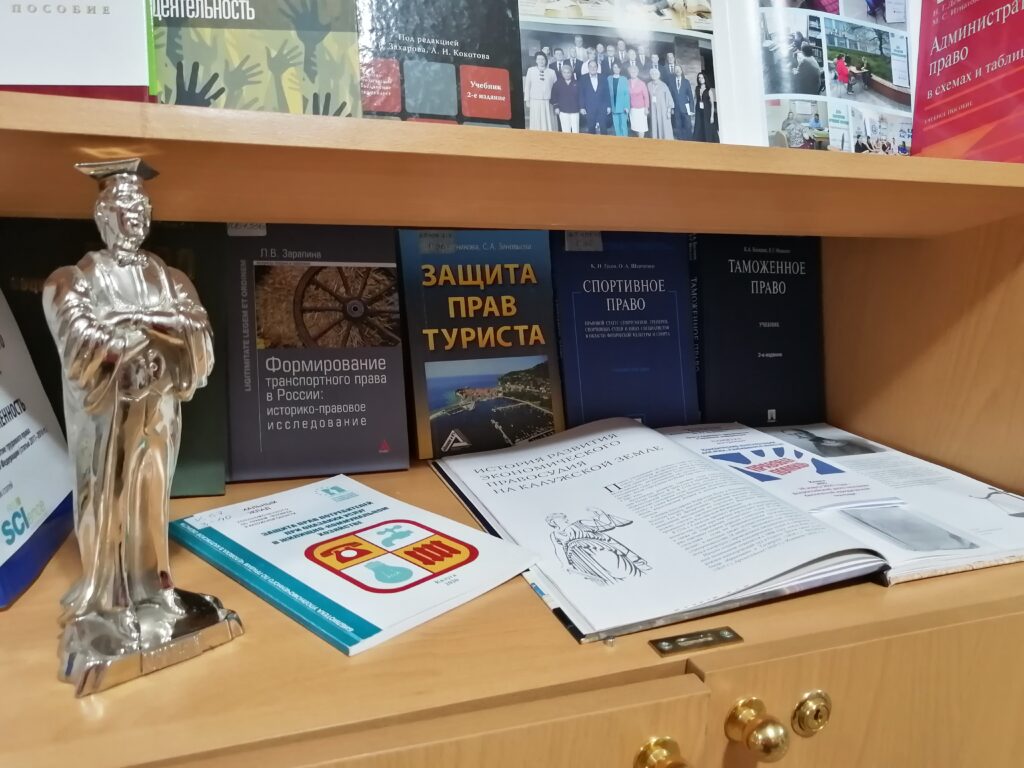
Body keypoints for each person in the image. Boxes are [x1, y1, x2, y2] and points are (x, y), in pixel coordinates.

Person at [524, 52, 557, 131]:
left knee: (548, 119)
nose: (541, 61)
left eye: (543, 59)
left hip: (548, 101)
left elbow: (555, 88)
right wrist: (527, 100)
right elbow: (527, 86)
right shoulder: (531, 70)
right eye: (539, 59)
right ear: (536, 60)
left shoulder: (552, 72)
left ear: (546, 60)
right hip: (535, 100)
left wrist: (555, 101)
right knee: (537, 119)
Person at [580, 59, 611, 134]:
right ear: (588, 68)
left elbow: (607, 93)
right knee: (591, 128)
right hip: (589, 108)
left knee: (603, 128)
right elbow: (581, 94)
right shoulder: (583, 78)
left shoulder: (603, 77)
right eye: (591, 66)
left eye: (594, 66)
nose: (593, 68)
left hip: (602, 107)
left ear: (597, 68)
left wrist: (608, 106)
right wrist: (582, 107)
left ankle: (604, 141)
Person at [551, 62, 582, 133]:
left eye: (568, 72)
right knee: (565, 131)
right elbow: (554, 96)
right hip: (563, 111)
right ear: (562, 73)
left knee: (575, 130)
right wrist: (556, 107)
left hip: (575, 111)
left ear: (571, 73)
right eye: (564, 72)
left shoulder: (577, 83)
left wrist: (581, 107)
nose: (566, 74)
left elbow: (580, 96)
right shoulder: (557, 84)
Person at [667, 63, 694, 140]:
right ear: (674, 72)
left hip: (686, 108)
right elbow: (670, 96)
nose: (677, 70)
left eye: (679, 69)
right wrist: (671, 108)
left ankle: (688, 140)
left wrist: (691, 109)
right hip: (676, 109)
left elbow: (690, 96)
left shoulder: (686, 82)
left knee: (688, 126)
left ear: (681, 71)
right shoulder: (671, 82)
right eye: (676, 69)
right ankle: (680, 141)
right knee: (678, 126)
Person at [647, 67, 674, 140]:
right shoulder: (649, 85)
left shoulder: (663, 85)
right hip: (653, 109)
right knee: (654, 124)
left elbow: (669, 98)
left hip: (663, 109)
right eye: (652, 74)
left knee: (664, 125)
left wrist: (668, 111)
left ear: (659, 75)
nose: (654, 75)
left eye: (656, 73)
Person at [692, 70, 718, 142]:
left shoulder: (709, 90)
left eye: (702, 77)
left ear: (705, 79)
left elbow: (712, 105)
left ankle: (709, 141)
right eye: (699, 78)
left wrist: (712, 116)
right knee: (698, 126)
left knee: (707, 127)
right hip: (699, 111)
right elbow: (695, 99)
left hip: (707, 112)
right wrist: (693, 110)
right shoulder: (697, 88)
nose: (700, 79)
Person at [626, 63, 650, 137]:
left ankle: (641, 142)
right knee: (635, 127)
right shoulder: (627, 82)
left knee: (641, 128)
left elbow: (646, 96)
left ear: (637, 72)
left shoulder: (641, 83)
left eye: (634, 72)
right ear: (629, 73)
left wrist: (646, 108)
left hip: (641, 109)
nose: (633, 73)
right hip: (632, 109)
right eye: (631, 72)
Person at [607, 60, 630, 136]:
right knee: (616, 126)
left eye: (618, 67)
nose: (616, 69)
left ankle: (625, 141)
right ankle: (619, 140)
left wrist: (626, 106)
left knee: (623, 125)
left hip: (623, 107)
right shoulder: (609, 78)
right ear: (612, 68)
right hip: (613, 106)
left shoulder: (624, 79)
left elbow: (626, 94)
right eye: (614, 67)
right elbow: (607, 93)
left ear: (620, 69)